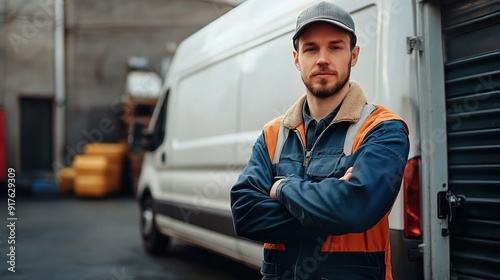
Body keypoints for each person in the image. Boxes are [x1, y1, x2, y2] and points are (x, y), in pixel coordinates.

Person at [230, 1, 410, 279]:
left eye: (335, 47)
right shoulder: (273, 134)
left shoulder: (383, 128)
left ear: (354, 55)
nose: (322, 58)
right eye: (311, 48)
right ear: (296, 58)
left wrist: (283, 188)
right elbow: (244, 215)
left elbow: (357, 209)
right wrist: (330, 206)